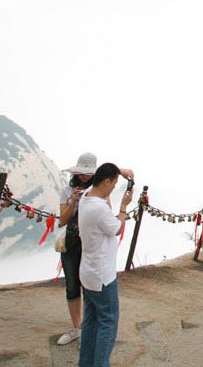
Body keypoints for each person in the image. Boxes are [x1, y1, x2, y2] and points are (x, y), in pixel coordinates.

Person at [56, 154, 133, 347]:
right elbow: (62, 221)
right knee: (72, 285)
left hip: (92, 245)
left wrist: (120, 171)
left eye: (87, 173)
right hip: (73, 241)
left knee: (90, 290)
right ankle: (77, 327)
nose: (83, 176)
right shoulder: (70, 190)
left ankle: (87, 330)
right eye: (80, 173)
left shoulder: (96, 191)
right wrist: (72, 201)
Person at [77, 162, 134, 367]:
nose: (114, 188)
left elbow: (104, 170)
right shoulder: (99, 209)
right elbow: (117, 228)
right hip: (103, 277)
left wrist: (120, 171)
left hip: (88, 273)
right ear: (106, 182)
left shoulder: (86, 198)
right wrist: (124, 206)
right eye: (114, 183)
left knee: (90, 323)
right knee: (108, 324)